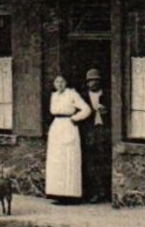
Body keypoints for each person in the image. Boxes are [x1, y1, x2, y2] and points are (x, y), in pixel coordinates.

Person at [45, 75, 92, 205]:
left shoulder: (72, 94)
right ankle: (57, 194)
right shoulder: (54, 96)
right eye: (57, 82)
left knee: (68, 159)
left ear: (66, 83)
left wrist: (74, 118)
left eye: (62, 82)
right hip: (56, 127)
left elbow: (86, 109)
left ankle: (70, 195)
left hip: (68, 126)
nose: (59, 84)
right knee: (56, 161)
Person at [80, 68, 111, 204]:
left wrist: (106, 112)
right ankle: (93, 193)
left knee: (103, 162)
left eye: (96, 80)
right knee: (90, 164)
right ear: (87, 83)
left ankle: (105, 192)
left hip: (103, 131)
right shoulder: (83, 97)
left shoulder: (108, 95)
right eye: (91, 80)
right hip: (89, 133)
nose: (93, 83)